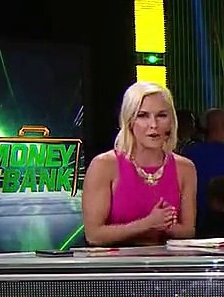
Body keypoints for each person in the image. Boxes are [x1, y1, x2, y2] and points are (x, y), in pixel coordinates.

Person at [82, 81, 197, 246]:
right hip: (117, 261)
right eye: (143, 115)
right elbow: (94, 235)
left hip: (167, 260)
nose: (154, 125)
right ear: (129, 120)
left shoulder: (185, 168)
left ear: (171, 121)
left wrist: (165, 224)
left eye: (161, 115)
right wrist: (147, 224)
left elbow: (188, 231)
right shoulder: (104, 166)